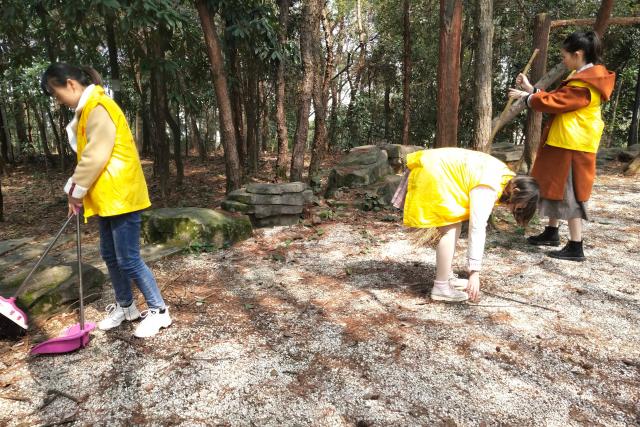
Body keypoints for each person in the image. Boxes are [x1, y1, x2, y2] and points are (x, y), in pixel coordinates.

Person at [41, 63, 171, 338]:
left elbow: (95, 155)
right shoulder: (89, 109)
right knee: (110, 256)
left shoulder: (99, 107)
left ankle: (159, 311)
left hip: (121, 196)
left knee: (129, 259)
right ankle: (126, 307)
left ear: (70, 84)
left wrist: (74, 191)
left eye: (56, 93)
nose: (58, 101)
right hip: (108, 197)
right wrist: (80, 193)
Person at [509, 31, 615, 261]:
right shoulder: (581, 76)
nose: (563, 60)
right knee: (553, 186)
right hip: (564, 141)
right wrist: (531, 89)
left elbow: (558, 102)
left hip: (574, 146)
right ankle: (551, 231)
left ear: (578, 54)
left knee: (571, 194)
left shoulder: (587, 84)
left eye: (565, 56)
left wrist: (527, 98)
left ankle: (576, 245)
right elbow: (558, 97)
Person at [396, 148, 539, 303]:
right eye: (519, 205)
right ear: (515, 190)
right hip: (434, 171)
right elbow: (477, 228)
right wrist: (474, 272)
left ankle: (445, 276)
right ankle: (441, 287)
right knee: (450, 229)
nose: (515, 209)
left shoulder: (505, 177)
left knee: (453, 227)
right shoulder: (488, 187)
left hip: (436, 167)